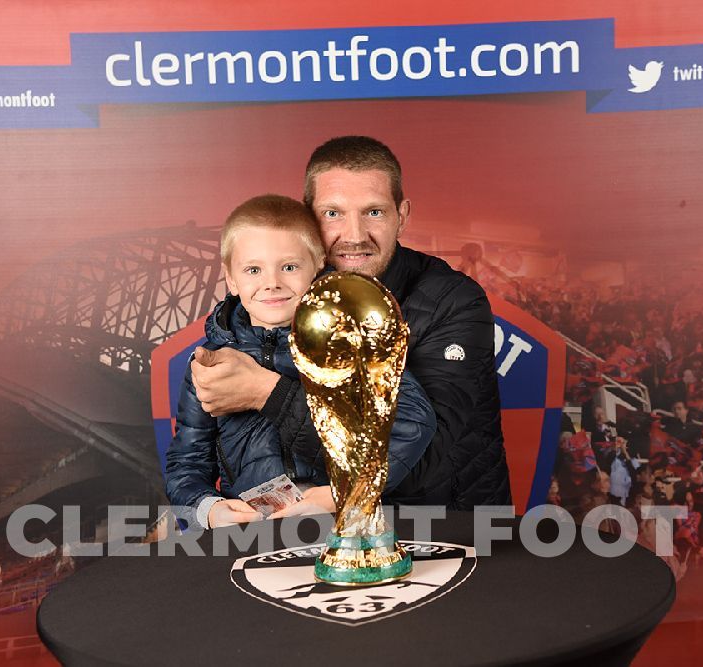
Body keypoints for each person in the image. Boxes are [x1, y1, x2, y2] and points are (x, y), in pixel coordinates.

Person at [190, 136, 510, 508]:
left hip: (446, 529)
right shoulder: (276, 301)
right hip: (317, 535)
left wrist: (267, 393)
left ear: (402, 216)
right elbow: (197, 456)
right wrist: (208, 508)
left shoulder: (453, 301)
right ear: (308, 217)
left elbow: (419, 462)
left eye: (374, 212)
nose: (355, 237)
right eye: (333, 214)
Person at [164, 194, 436, 528]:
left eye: (289, 267)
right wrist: (208, 511)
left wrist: (345, 493)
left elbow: (414, 422)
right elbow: (186, 463)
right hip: (253, 534)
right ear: (231, 279)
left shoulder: (350, 340)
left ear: (318, 264)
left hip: (342, 523)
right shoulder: (210, 364)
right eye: (253, 269)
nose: (272, 282)